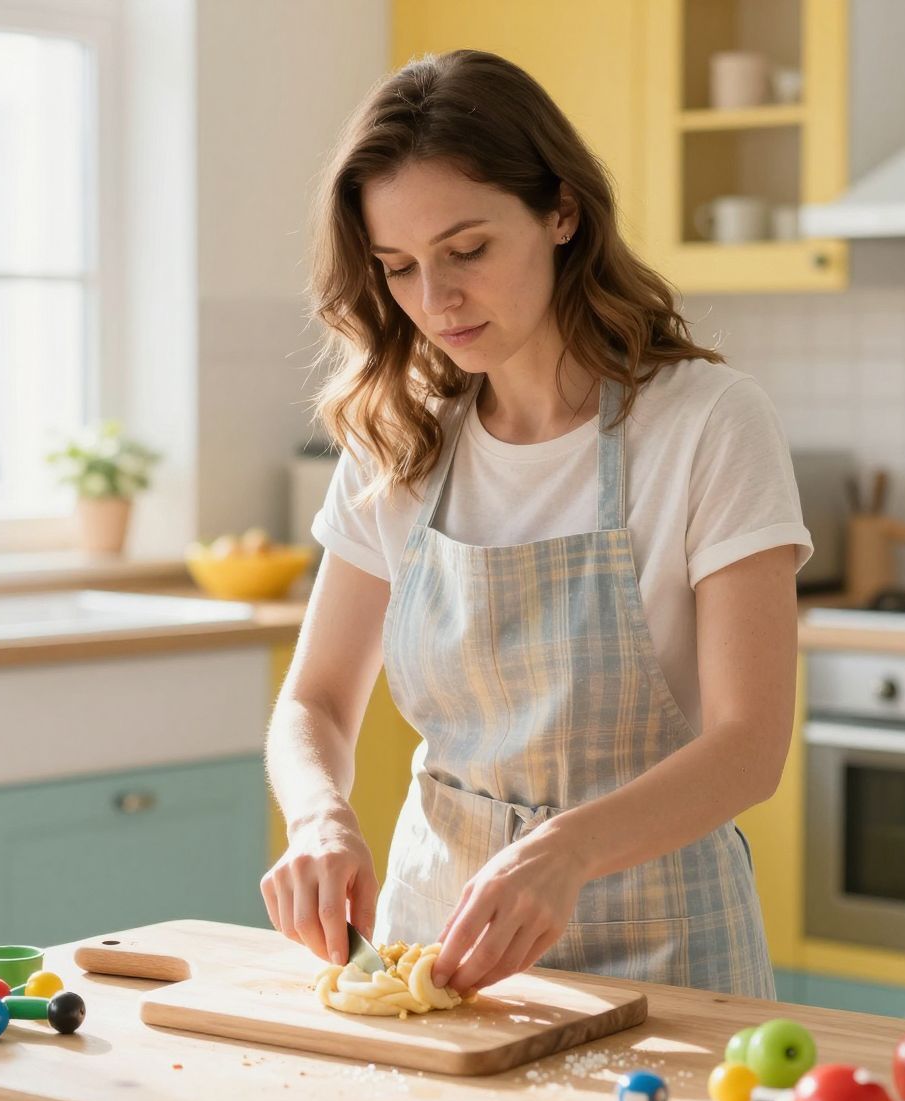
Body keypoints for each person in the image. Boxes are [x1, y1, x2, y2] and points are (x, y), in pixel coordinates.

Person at [260, 49, 811, 1000]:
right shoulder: (396, 439)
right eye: (398, 268)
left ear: (562, 211)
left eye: (467, 250)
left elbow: (749, 744)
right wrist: (317, 816)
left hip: (670, 953)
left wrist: (566, 850)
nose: (436, 301)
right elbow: (313, 702)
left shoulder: (708, 423)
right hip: (437, 953)